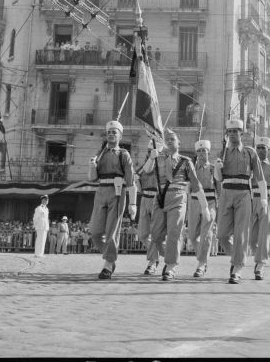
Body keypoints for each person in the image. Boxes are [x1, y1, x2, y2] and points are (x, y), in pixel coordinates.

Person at [145, 129, 210, 281]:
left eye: (172, 139)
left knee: (174, 233)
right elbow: (147, 171)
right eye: (167, 139)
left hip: (178, 197)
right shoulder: (158, 159)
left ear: (178, 143)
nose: (168, 141)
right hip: (160, 198)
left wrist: (204, 206)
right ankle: (166, 256)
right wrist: (150, 158)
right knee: (155, 235)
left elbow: (196, 184)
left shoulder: (186, 161)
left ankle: (171, 266)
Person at [214, 119, 267, 284]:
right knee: (222, 234)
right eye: (230, 132)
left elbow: (260, 177)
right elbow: (218, 178)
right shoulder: (222, 153)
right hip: (226, 192)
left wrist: (264, 199)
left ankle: (237, 268)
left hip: (244, 193)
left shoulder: (250, 152)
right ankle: (238, 256)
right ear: (227, 134)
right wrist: (217, 168)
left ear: (241, 133)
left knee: (241, 233)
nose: (232, 135)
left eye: (235, 131)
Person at [89, 120, 137, 279]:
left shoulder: (124, 154)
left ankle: (108, 265)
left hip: (117, 192)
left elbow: (130, 180)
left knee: (111, 231)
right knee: (95, 232)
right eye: (109, 132)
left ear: (120, 136)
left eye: (114, 132)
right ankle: (110, 256)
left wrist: (133, 203)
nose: (111, 134)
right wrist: (92, 164)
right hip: (101, 191)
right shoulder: (100, 153)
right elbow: (92, 178)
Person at [249, 136, 270, 280]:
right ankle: (259, 256)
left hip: (267, 201)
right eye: (259, 148)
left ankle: (260, 265)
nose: (261, 150)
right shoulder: (250, 165)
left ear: (268, 150)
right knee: (250, 239)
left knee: (265, 235)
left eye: (264, 148)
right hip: (251, 200)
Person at [188, 139, 218, 278]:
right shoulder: (191, 169)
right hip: (194, 202)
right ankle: (203, 259)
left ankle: (201, 264)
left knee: (206, 234)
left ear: (208, 152)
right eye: (198, 151)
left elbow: (219, 187)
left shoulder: (213, 168)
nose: (201, 154)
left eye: (203, 151)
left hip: (210, 202)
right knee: (193, 235)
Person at [136, 141, 165, 275]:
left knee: (154, 233)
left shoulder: (163, 165)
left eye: (153, 151)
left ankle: (152, 262)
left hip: (156, 199)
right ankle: (159, 254)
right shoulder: (145, 165)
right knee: (142, 234)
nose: (150, 153)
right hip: (144, 198)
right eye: (148, 151)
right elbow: (137, 176)